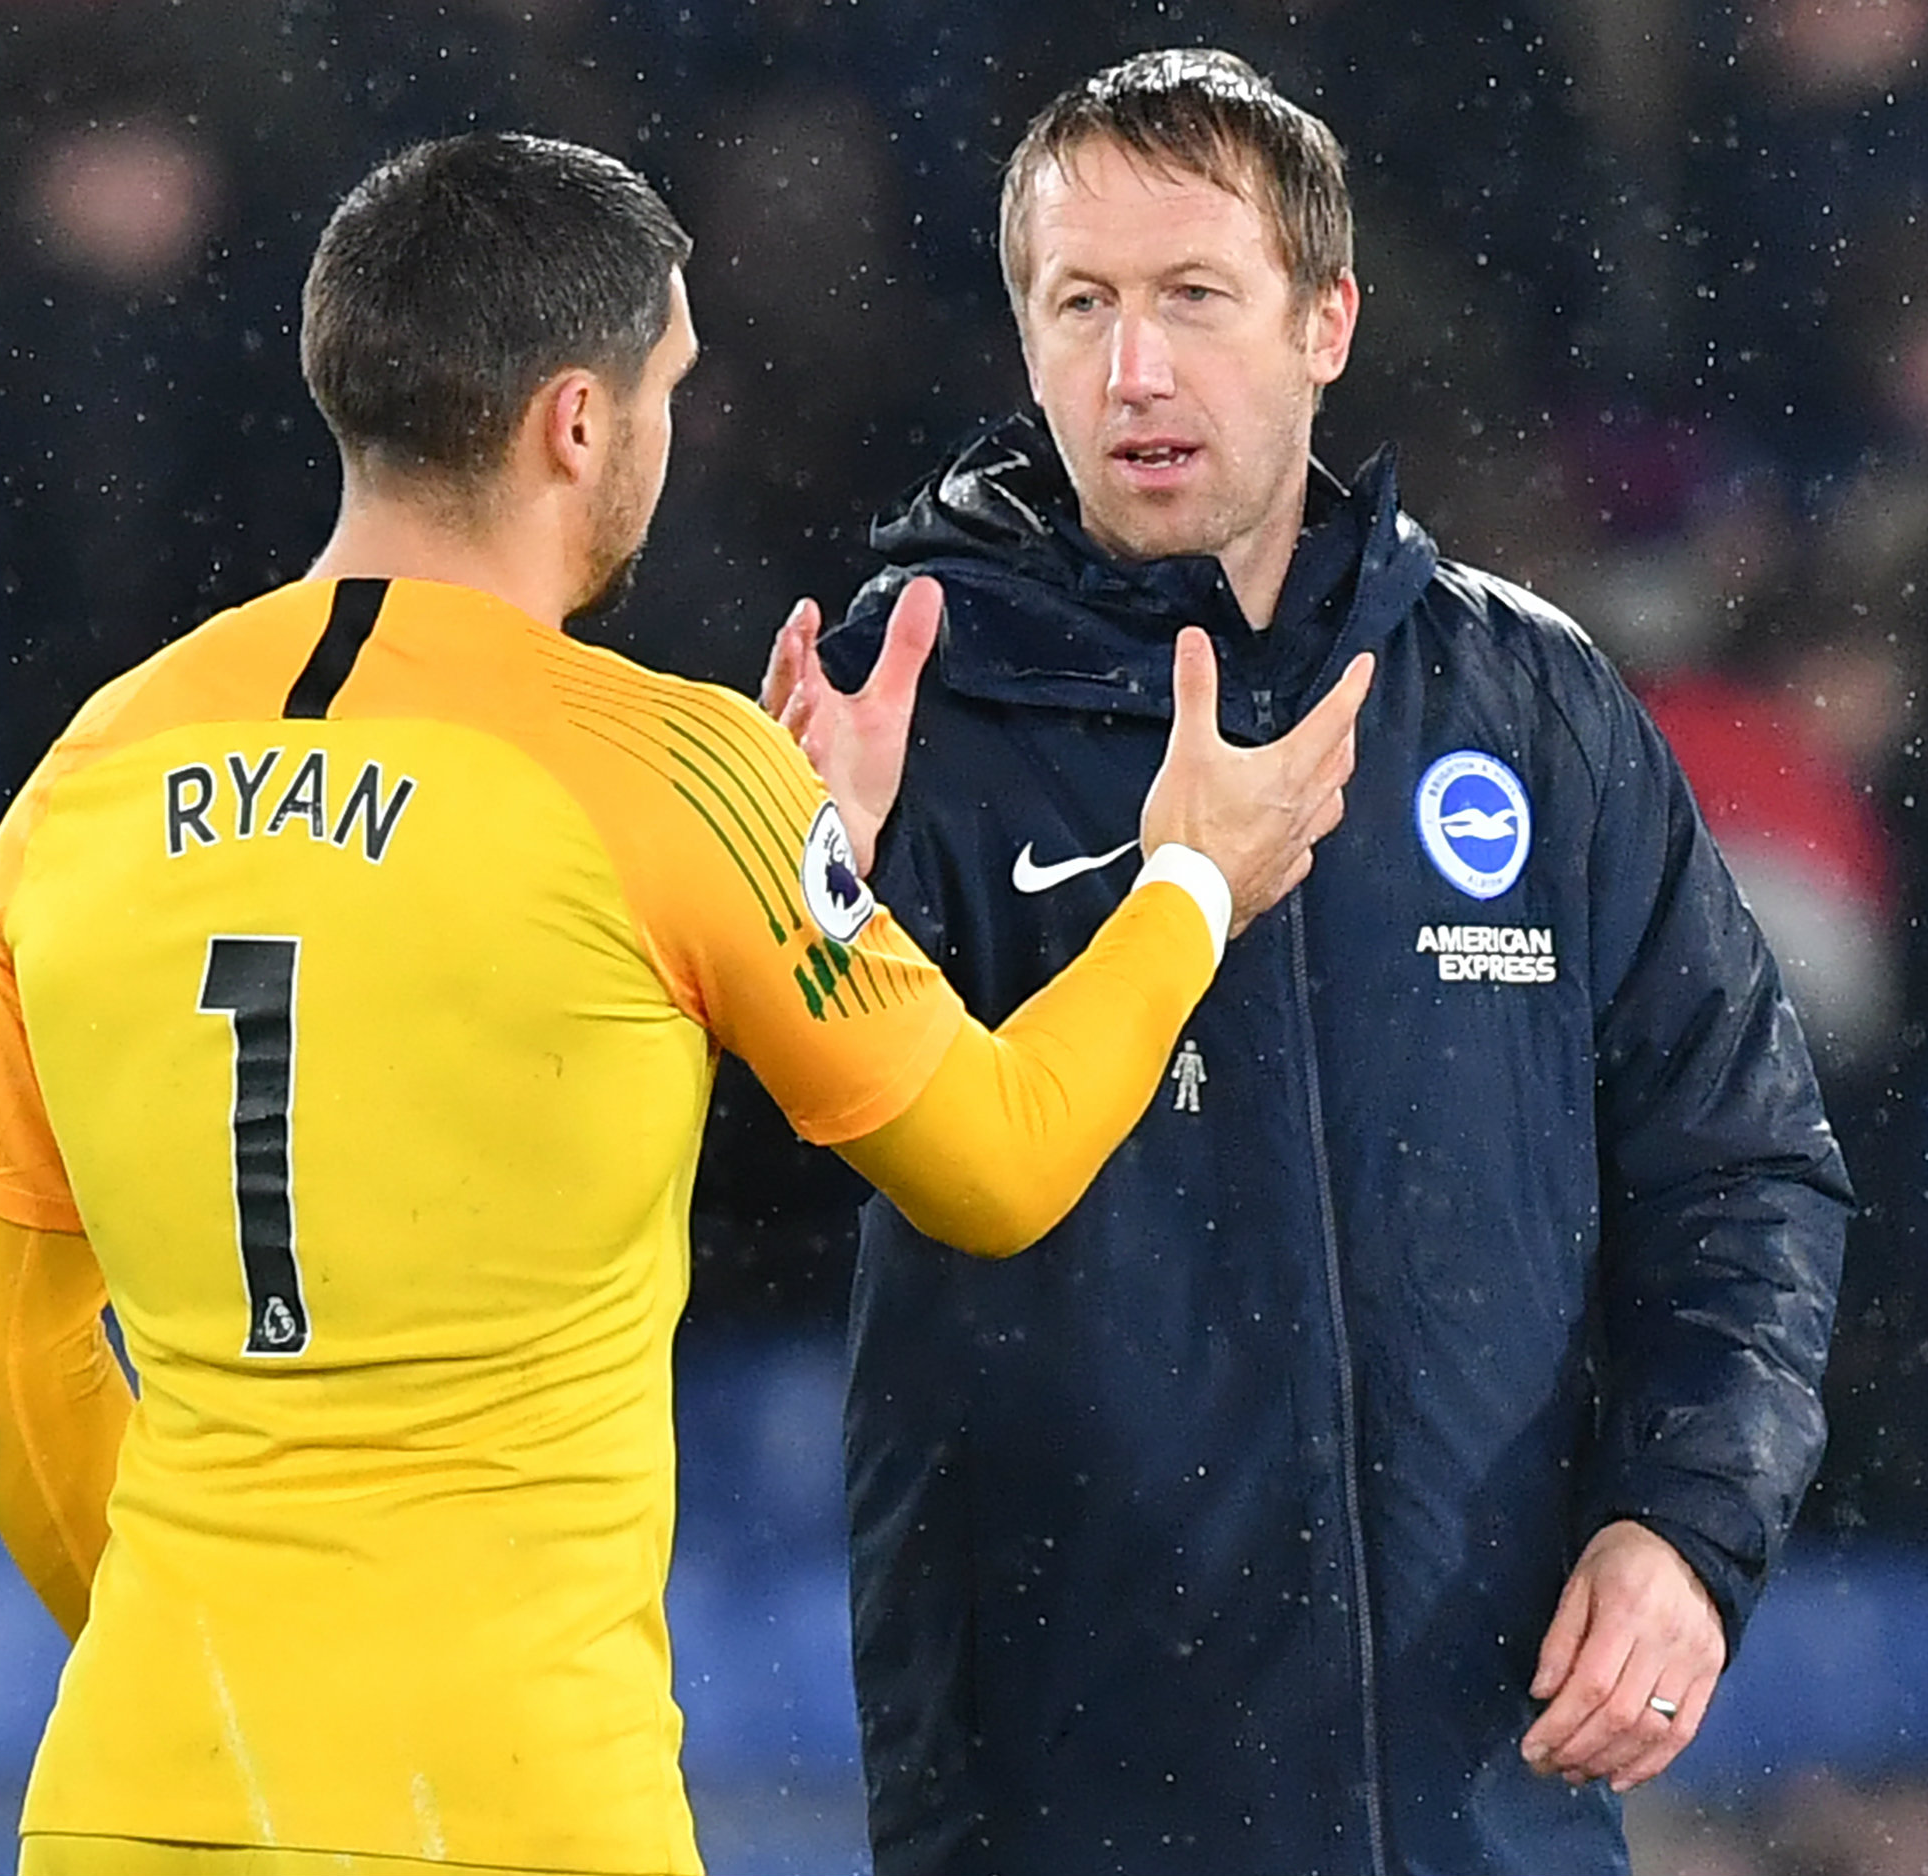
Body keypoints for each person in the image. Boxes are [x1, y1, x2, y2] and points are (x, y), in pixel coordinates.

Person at [0, 129, 1372, 1876]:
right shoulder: (667, 773)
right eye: (668, 386)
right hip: (513, 1805)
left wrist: (228, 1694)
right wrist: (1191, 885)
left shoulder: (85, 774)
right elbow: (993, 1162)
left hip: (136, 1800)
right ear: (577, 423)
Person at [764, 50, 1853, 1875]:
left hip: (1486, 1798)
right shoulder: (902, 713)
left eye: (1194, 298)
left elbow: (1742, 1171)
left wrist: (1684, 1530)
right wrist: (805, 908)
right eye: (1078, 305)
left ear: (1327, 320)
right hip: (1070, 1810)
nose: (1133, 370)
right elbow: (746, 1222)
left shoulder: (1528, 704)